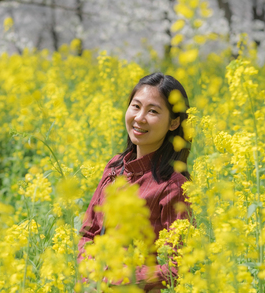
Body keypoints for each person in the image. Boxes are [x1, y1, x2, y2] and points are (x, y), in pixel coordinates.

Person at [77, 72, 192, 292]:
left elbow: (178, 266)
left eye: (153, 111)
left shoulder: (174, 187)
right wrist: (91, 274)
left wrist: (118, 277)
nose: (139, 118)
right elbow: (88, 233)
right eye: (136, 106)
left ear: (174, 122)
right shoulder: (115, 167)